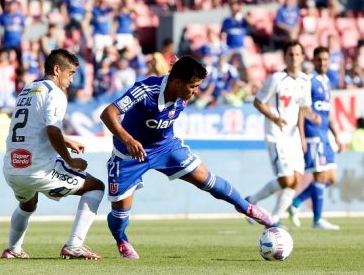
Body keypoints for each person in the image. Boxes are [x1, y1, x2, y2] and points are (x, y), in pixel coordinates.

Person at [100, 55, 273, 260]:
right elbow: (108, 113)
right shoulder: (146, 90)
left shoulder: (181, 91)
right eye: (193, 86)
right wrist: (128, 140)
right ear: (177, 82)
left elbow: (181, 66)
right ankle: (122, 241)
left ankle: (248, 208)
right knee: (120, 214)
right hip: (129, 154)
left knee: (207, 180)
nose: (195, 92)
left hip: (165, 147)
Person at [1, 49, 105, 259]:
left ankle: (13, 249)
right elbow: (51, 130)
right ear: (57, 69)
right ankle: (74, 245)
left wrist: (66, 140)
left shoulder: (28, 89)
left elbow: (34, 126)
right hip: (38, 170)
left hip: (13, 168)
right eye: (71, 73)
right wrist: (69, 159)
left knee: (28, 204)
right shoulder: (55, 93)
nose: (72, 79)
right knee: (96, 187)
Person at [245, 40, 321, 226]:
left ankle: (274, 219)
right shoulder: (276, 79)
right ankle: (252, 200)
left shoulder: (305, 80)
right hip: (276, 135)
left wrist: (309, 123)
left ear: (302, 57)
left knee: (295, 181)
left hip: (294, 136)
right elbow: (258, 101)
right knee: (287, 179)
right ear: (285, 57)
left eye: (297, 54)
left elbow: (303, 109)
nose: (294, 58)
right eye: (290, 54)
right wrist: (274, 117)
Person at [288, 46, 343, 230]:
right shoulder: (309, 81)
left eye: (325, 59)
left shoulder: (327, 81)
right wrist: (302, 136)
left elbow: (330, 113)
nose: (322, 63)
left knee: (331, 177)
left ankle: (296, 202)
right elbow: (302, 110)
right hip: (313, 134)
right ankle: (317, 219)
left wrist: (337, 136)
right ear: (314, 61)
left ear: (329, 60)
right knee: (320, 175)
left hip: (325, 134)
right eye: (319, 60)